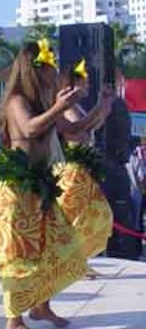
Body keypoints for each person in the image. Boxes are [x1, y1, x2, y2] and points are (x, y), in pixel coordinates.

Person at [0, 40, 87, 329]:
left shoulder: (41, 101)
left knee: (52, 244)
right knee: (17, 251)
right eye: (50, 64)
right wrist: (58, 107)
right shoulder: (16, 99)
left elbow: (70, 128)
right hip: (15, 185)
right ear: (35, 68)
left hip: (38, 184)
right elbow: (30, 127)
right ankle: (13, 320)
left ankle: (42, 307)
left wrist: (82, 108)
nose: (55, 69)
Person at [56, 59, 114, 278]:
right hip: (72, 171)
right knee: (75, 218)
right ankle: (72, 262)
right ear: (73, 83)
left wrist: (104, 107)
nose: (88, 86)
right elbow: (77, 131)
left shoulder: (76, 106)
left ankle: (78, 260)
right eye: (85, 83)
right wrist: (100, 106)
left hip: (82, 170)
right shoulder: (67, 106)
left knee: (96, 215)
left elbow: (92, 127)